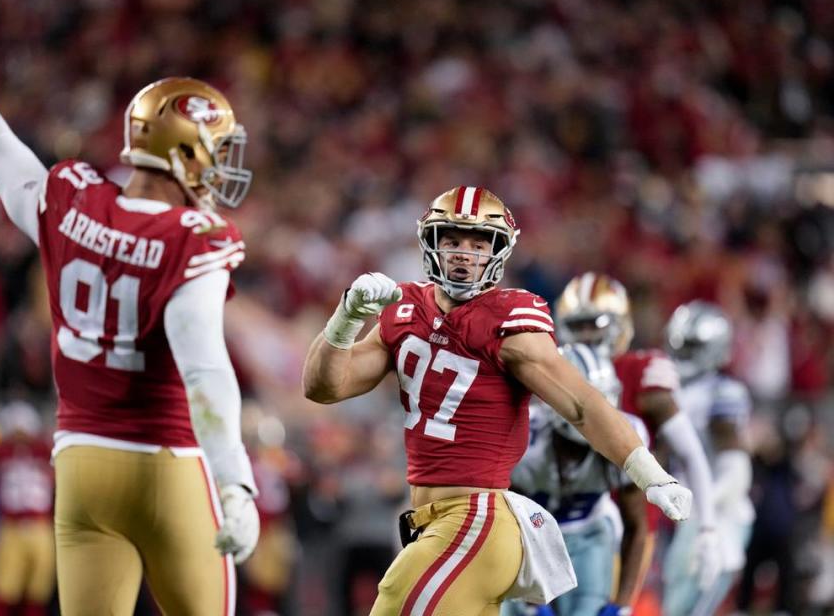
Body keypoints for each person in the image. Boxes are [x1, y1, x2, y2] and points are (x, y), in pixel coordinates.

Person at [0, 0, 259, 616]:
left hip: (81, 464)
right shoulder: (191, 237)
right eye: (215, 150)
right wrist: (235, 481)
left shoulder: (72, 198)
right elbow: (203, 367)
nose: (220, 169)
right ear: (185, 152)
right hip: (166, 462)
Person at [302, 186, 693, 616]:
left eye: (478, 243)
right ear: (431, 243)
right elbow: (324, 387)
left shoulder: (511, 321)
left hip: (475, 520)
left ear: (499, 250)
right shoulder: (405, 308)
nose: (464, 253)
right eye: (452, 239)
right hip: (434, 523)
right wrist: (346, 317)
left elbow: (581, 403)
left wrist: (649, 473)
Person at [554, 273, 722, 594]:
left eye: (597, 324)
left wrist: (708, 529)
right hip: (566, 522)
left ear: (621, 326)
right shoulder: (553, 374)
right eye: (579, 326)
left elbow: (691, 452)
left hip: (633, 526)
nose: (587, 336)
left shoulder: (644, 375)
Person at [501, 343, 651, 616]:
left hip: (588, 535)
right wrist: (527, 598)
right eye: (588, 404)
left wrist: (624, 604)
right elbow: (504, 525)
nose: (600, 417)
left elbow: (636, 526)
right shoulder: (524, 441)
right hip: (526, 539)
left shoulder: (626, 442)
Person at [662, 301, 754, 616]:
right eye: (680, 343)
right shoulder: (666, 385)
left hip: (713, 516)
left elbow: (736, 466)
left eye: (692, 345)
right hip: (676, 511)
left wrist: (705, 506)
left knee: (684, 608)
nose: (683, 352)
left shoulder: (721, 392)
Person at [0, 401, 54, 616]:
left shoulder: (44, 450)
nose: (20, 435)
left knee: (37, 593)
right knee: (2, 593)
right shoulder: (1, 452)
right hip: (11, 526)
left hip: (41, 526)